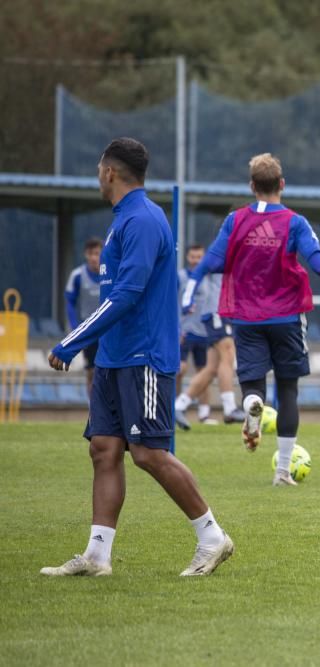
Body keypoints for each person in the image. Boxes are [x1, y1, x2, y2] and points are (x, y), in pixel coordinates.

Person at [43, 137, 234, 577]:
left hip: (143, 357)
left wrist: (71, 342)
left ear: (109, 172)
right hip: (113, 358)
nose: (97, 174)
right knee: (104, 449)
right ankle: (97, 556)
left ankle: (212, 537)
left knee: (148, 453)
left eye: (98, 167)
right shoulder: (122, 220)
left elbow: (128, 293)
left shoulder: (145, 219)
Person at [182, 152, 320, 486]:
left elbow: (210, 262)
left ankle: (251, 402)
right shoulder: (295, 222)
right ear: (281, 184)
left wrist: (189, 291)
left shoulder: (234, 221)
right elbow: (318, 263)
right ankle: (282, 473)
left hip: (247, 317)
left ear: (252, 186)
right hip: (287, 317)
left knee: (253, 381)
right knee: (288, 388)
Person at [175, 269, 245, 429]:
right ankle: (229, 408)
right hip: (219, 311)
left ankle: (179, 406)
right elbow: (201, 270)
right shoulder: (225, 248)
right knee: (228, 354)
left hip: (225, 312)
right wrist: (187, 301)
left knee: (211, 368)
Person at [64, 237, 103, 399]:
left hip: (108, 329)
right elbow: (69, 302)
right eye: (91, 253)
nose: (94, 257)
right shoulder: (78, 275)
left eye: (97, 253)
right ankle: (93, 410)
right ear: (86, 255)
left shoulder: (111, 274)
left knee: (109, 370)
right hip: (89, 330)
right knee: (92, 371)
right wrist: (75, 327)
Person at [177, 245, 212, 422]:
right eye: (193, 257)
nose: (196, 260)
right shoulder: (180, 277)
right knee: (179, 370)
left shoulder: (208, 277)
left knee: (204, 372)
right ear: (187, 257)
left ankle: (204, 413)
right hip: (184, 331)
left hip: (204, 332)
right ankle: (174, 406)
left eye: (199, 257)